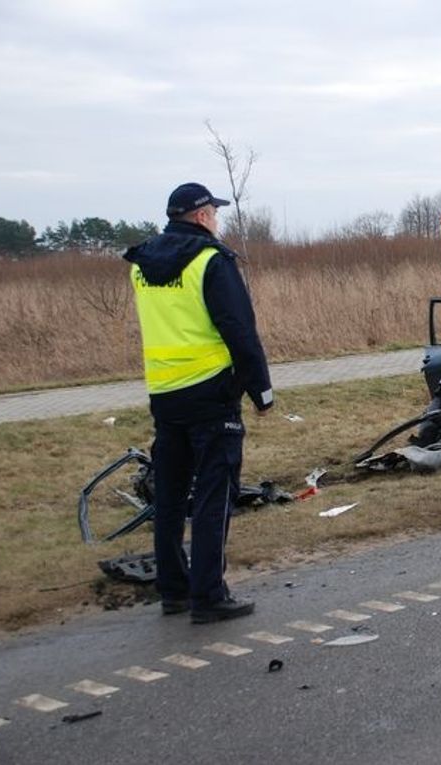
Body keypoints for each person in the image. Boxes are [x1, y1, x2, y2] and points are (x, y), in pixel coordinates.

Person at [124, 182, 274, 624]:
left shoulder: (143, 265)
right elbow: (240, 331)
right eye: (215, 211)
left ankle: (173, 588)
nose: (217, 218)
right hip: (210, 393)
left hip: (165, 395)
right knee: (214, 494)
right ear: (203, 215)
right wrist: (260, 391)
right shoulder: (211, 261)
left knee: (170, 496)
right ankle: (208, 595)